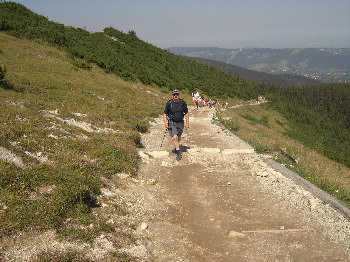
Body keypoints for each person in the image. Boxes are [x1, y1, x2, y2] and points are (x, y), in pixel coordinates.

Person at [163, 89, 189, 161]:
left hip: (180, 122)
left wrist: (187, 123)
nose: (175, 96)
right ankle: (178, 151)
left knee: (179, 137)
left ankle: (176, 147)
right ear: (172, 96)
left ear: (179, 95)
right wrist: (165, 122)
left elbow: (186, 113)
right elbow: (165, 113)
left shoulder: (183, 103)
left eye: (177, 94)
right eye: (174, 94)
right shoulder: (169, 103)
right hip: (172, 122)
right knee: (175, 137)